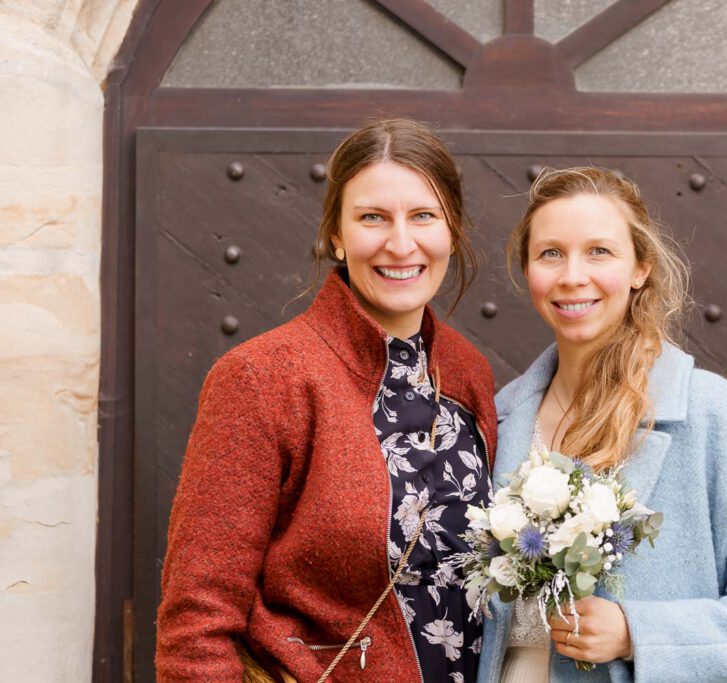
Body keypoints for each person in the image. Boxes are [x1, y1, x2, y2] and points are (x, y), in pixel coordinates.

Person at [156, 118, 497, 682]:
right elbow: (197, 618)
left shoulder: (468, 373)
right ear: (336, 235)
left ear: (451, 231)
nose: (401, 243)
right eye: (372, 218)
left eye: (423, 216)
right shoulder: (263, 377)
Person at [476, 167, 727, 683]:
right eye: (550, 253)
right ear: (528, 269)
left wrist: (636, 632)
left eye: (599, 251)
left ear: (640, 267)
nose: (572, 275)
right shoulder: (501, 418)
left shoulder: (718, 417)